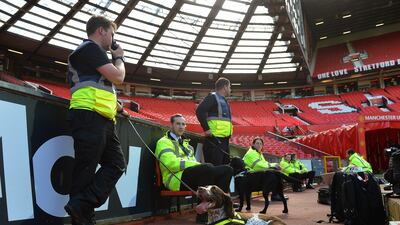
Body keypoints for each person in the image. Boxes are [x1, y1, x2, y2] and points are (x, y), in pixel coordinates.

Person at [65, 15, 127, 225]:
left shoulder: (95, 53)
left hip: (102, 117)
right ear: (101, 30)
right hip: (89, 114)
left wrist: (115, 105)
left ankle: (82, 205)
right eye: (112, 33)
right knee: (85, 170)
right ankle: (82, 214)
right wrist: (119, 57)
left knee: (117, 164)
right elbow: (118, 77)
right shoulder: (89, 48)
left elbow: (97, 84)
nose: (113, 38)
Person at [155, 114, 233, 224]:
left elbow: (193, 165)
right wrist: (195, 164)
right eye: (178, 124)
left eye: (183, 124)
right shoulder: (163, 142)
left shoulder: (187, 145)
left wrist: (195, 165)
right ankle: (202, 215)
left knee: (227, 170)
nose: (181, 126)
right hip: (174, 179)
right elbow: (170, 163)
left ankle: (219, 209)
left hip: (190, 177)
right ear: (171, 125)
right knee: (206, 167)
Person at [196, 77, 233, 166]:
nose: (230, 89)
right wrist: (206, 129)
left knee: (225, 169)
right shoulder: (212, 97)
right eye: (229, 87)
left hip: (224, 141)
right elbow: (199, 111)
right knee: (215, 170)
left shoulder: (224, 100)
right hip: (214, 141)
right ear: (225, 87)